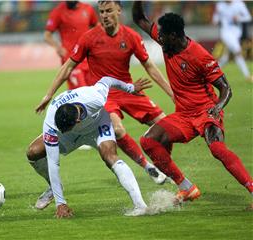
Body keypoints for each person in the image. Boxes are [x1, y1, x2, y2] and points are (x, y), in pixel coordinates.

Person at [36, 1, 174, 201]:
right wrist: (49, 94)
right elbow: (66, 66)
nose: (105, 15)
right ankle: (147, 165)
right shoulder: (88, 37)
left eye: (109, 11)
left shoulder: (131, 36)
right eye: (101, 12)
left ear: (119, 10)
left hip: (127, 88)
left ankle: (164, 166)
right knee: (117, 130)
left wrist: (170, 92)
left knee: (167, 126)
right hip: (103, 94)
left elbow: (150, 67)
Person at [132, 1, 253, 206]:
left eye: (163, 35)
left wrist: (217, 108)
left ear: (174, 36)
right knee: (148, 141)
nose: (158, 37)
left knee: (217, 149)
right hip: (184, 116)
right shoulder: (166, 42)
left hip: (206, 111)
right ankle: (186, 187)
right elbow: (139, 19)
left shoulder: (200, 56)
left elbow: (226, 89)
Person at [27, 76, 153, 218]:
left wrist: (130, 88)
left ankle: (140, 205)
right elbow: (53, 162)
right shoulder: (51, 122)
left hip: (97, 124)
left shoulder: (95, 97)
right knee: (33, 152)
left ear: (78, 120)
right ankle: (53, 187)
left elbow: (107, 80)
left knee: (110, 156)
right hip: (69, 135)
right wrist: (60, 203)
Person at [44, 1, 98, 90]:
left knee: (92, 93)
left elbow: (97, 27)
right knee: (80, 93)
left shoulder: (88, 9)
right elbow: (47, 35)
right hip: (71, 60)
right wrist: (58, 47)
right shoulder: (58, 12)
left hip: (88, 59)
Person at [212, 0, 253, 83]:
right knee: (237, 50)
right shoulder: (220, 5)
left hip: (237, 32)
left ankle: (211, 72)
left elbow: (248, 17)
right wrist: (215, 18)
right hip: (225, 32)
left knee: (226, 57)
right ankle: (248, 76)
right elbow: (215, 18)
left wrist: (239, 18)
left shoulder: (239, 3)